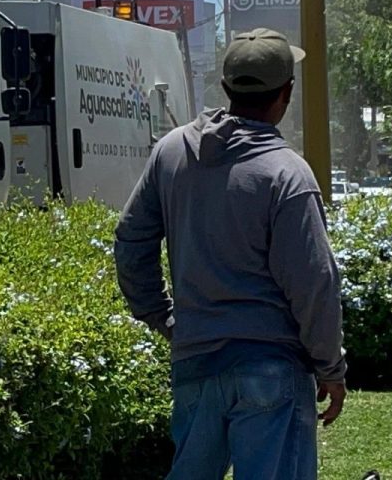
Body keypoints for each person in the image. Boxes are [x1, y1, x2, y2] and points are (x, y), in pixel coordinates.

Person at [114, 28, 347, 480]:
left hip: (196, 362)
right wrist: (329, 367)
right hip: (273, 368)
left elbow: (131, 240)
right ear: (287, 94)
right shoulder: (287, 173)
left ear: (225, 88)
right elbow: (314, 283)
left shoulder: (171, 152)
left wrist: (163, 316)